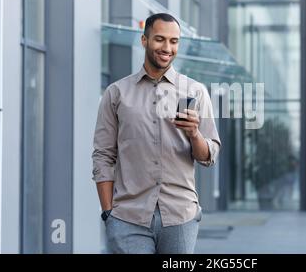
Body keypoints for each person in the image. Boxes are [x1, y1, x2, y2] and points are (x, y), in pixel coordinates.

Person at [91, 13, 221, 254]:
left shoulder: (195, 91)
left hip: (180, 218)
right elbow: (103, 155)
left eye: (174, 41)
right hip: (128, 218)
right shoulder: (116, 93)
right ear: (144, 40)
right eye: (160, 39)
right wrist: (109, 212)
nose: (167, 48)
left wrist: (194, 134)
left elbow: (208, 156)